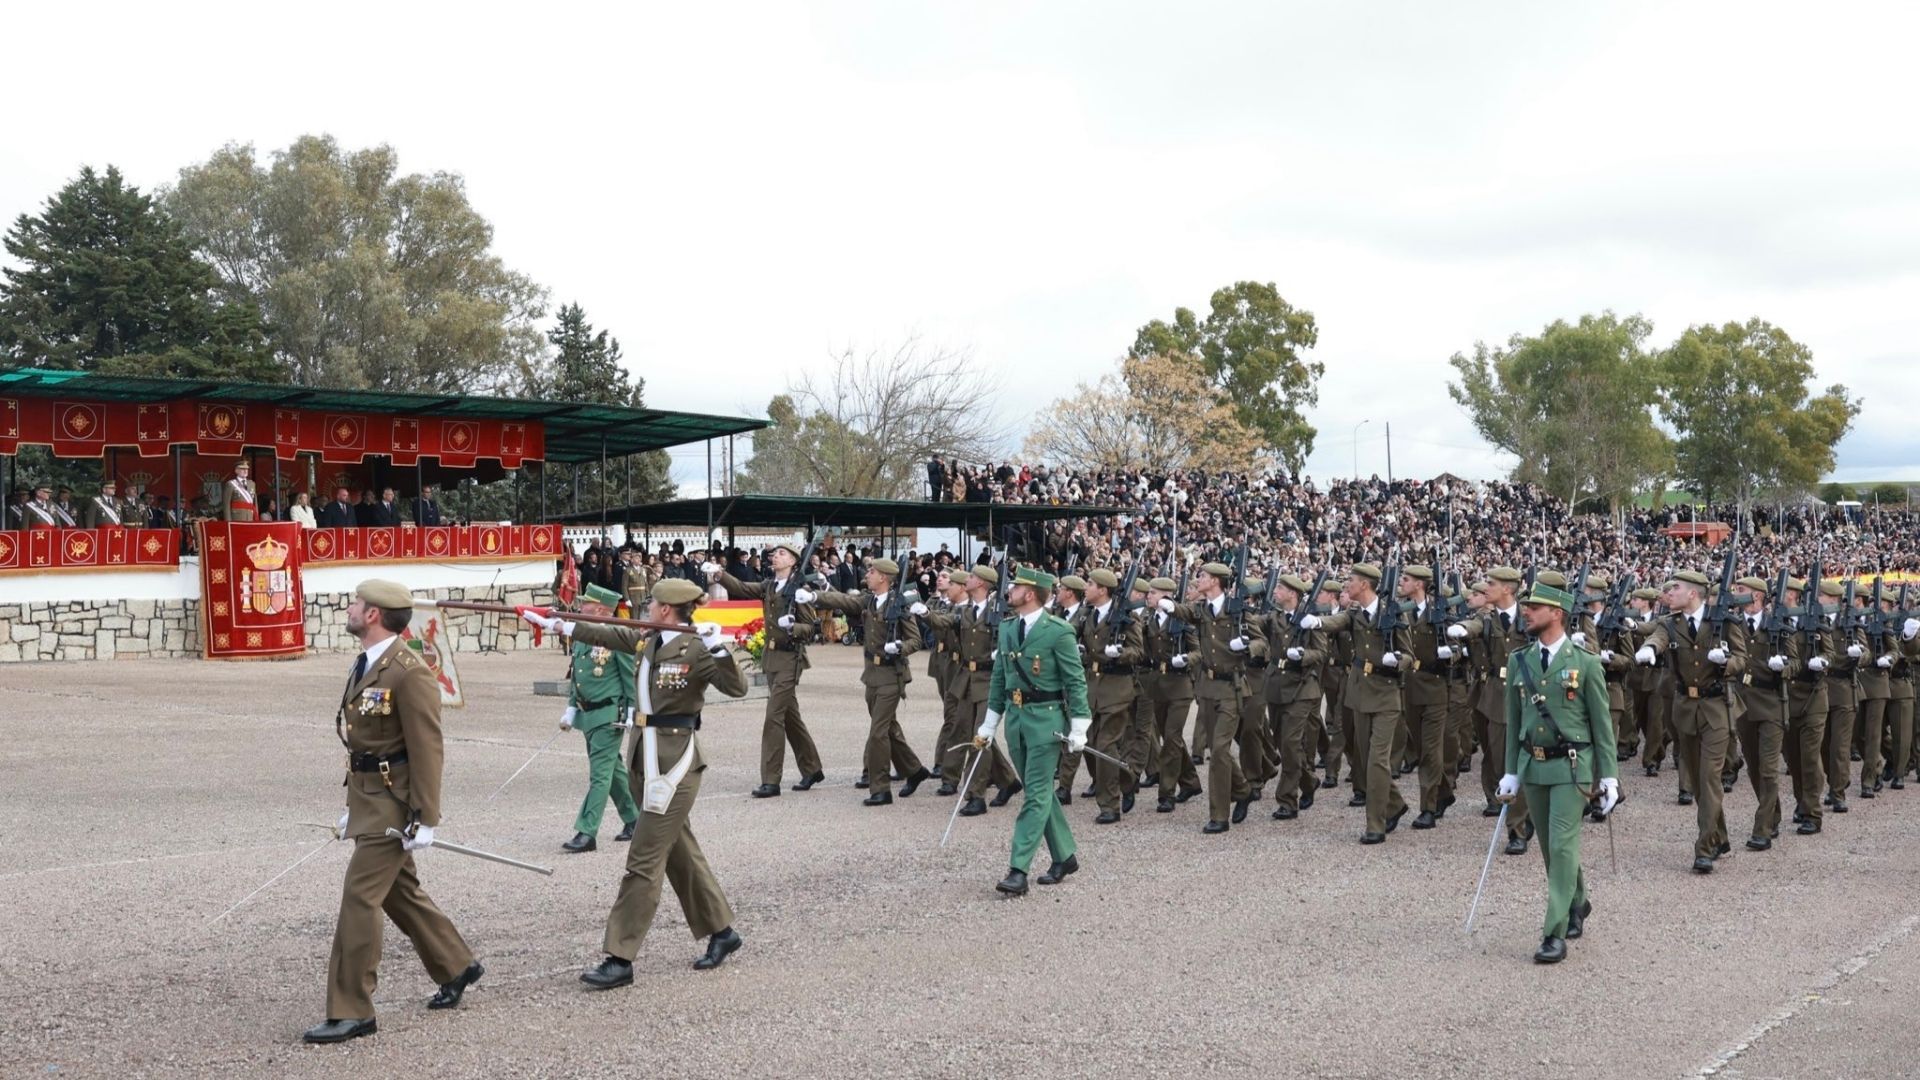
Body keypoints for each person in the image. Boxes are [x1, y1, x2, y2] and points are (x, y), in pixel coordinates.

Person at [521, 578, 749, 987]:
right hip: (644, 759)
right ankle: (722, 932)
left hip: (674, 764)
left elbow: (737, 687)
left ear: (666, 609)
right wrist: (556, 623)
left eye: (651, 605)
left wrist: (719, 648)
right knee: (680, 853)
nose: (645, 610)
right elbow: (605, 632)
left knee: (643, 860)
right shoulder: (650, 641)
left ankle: (620, 957)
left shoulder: (694, 646)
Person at [305, 579, 482, 1044]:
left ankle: (352, 1009)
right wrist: (353, 807)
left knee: (360, 897)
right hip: (370, 798)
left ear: (375, 614)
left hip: (394, 803)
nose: (350, 607)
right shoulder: (367, 662)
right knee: (398, 891)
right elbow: (366, 745)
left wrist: (424, 817)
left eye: (357, 603)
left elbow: (427, 749)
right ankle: (456, 964)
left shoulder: (409, 671)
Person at [1496, 576, 1619, 965]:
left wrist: (1610, 777)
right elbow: (1514, 722)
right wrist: (1511, 771)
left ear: (1557, 613)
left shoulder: (1585, 664)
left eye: (1535, 606)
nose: (1527, 611)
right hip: (1534, 766)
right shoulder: (1519, 661)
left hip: (1572, 768)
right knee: (1551, 849)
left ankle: (1554, 930)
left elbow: (1602, 726)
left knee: (1563, 845)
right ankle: (1578, 901)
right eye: (1526, 605)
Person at [970, 565, 1092, 895]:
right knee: (1039, 792)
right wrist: (990, 723)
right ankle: (1065, 855)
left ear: (1032, 593)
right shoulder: (1009, 629)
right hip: (1017, 721)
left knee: (1036, 794)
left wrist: (1080, 725)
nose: (1009, 590)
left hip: (1046, 722)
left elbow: (1075, 681)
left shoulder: (1059, 631)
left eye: (1017, 586)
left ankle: (1018, 869)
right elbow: (1000, 680)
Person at [1633, 570, 1749, 873]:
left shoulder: (1722, 622)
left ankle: (1705, 846)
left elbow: (1742, 657)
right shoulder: (1671, 623)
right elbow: (1658, 637)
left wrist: (1727, 663)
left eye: (1676, 588)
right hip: (1685, 708)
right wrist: (1649, 649)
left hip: (1716, 707)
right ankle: (1719, 835)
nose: (1669, 593)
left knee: (1710, 777)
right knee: (1697, 780)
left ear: (1693, 593)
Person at [800, 559, 933, 804]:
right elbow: (844, 601)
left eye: (872, 572)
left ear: (884, 578)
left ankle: (880, 788)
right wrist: (813, 597)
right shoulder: (869, 600)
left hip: (892, 677)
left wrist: (900, 647)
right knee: (889, 729)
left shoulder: (900, 604)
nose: (867, 575)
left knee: (878, 733)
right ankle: (914, 770)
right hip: (872, 674)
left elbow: (916, 640)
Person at [1301, 564, 1409, 844]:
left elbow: (1408, 655)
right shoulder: (1354, 614)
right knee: (1364, 759)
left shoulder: (1394, 614)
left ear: (1365, 585)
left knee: (1376, 761)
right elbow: (1337, 622)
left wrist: (1398, 661)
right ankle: (1395, 803)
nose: (1346, 584)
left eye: (1351, 580)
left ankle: (1376, 824)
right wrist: (1318, 622)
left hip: (1386, 694)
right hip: (1360, 694)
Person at [708, 542, 827, 796]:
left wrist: (793, 627)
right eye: (774, 554)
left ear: (794, 561)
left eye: (782, 553)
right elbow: (742, 588)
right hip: (772, 658)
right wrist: (720, 574)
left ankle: (771, 780)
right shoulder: (771, 585)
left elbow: (811, 629)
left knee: (773, 716)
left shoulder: (799, 590)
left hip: (789, 659)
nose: (775, 556)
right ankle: (812, 768)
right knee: (789, 716)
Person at [1161, 560, 1266, 833]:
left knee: (1220, 749)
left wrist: (1247, 645)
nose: (1199, 579)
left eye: (1204, 576)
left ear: (1216, 581)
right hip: (1207, 689)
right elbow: (1186, 611)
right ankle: (1242, 790)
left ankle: (1219, 815)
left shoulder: (1237, 611)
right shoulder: (1203, 609)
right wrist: (1170, 606)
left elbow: (1262, 643)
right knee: (1216, 749)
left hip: (1231, 688)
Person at [558, 584, 641, 853]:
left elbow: (630, 678)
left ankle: (587, 831)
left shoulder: (619, 636)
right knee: (613, 772)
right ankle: (634, 819)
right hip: (588, 715)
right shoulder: (583, 635)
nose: (581, 607)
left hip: (609, 715)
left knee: (600, 775)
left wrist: (631, 712)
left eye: (587, 604)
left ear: (602, 609)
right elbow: (578, 678)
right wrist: (571, 709)